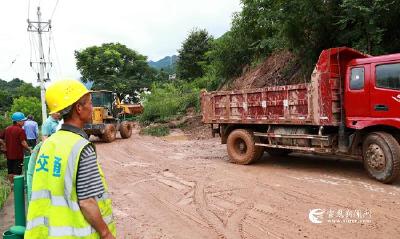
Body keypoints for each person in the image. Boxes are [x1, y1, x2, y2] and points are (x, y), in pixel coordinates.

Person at [25, 79, 116, 239]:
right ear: (79, 108)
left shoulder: (48, 143)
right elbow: (87, 202)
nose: (92, 107)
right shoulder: (81, 147)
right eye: (90, 102)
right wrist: (105, 232)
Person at [0, 112, 32, 183]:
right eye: (22, 120)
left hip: (9, 155)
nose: (24, 122)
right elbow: (23, 142)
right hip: (18, 155)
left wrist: (4, 145)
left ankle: (11, 186)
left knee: (10, 171)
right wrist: (30, 149)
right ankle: (16, 189)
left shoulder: (7, 129)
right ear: (18, 122)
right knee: (17, 173)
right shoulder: (21, 130)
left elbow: (0, 138)